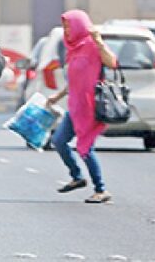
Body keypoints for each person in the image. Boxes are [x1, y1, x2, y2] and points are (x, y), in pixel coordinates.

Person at [45, 10, 116, 204]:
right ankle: (77, 177)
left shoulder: (92, 45)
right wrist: (57, 95)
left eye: (70, 26)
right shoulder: (73, 49)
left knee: (84, 147)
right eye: (65, 27)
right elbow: (76, 79)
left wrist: (99, 41)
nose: (67, 31)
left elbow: (112, 62)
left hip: (91, 106)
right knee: (59, 141)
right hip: (75, 106)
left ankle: (101, 189)